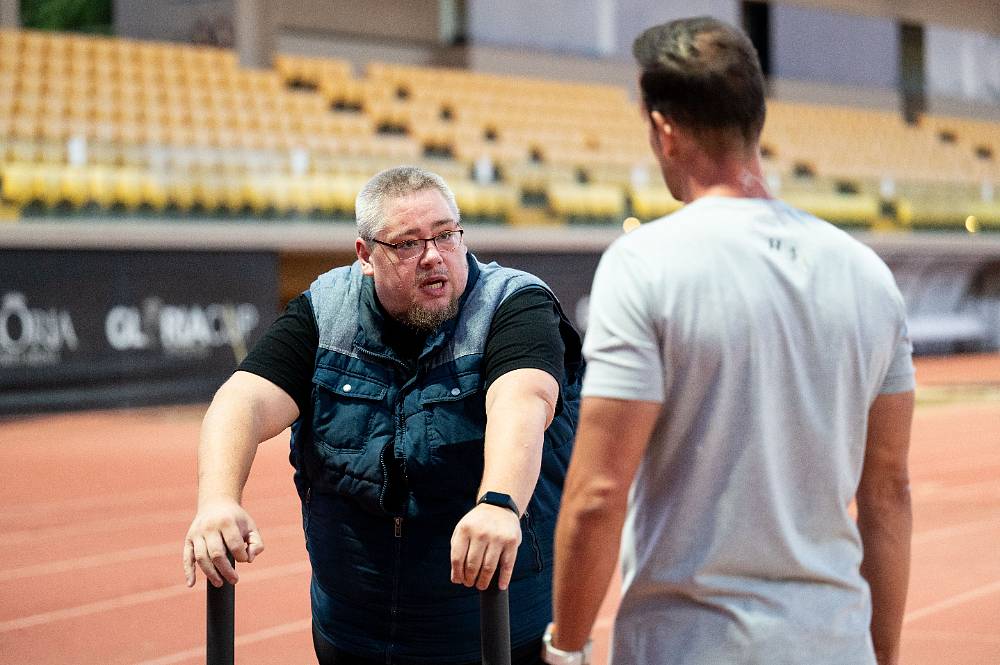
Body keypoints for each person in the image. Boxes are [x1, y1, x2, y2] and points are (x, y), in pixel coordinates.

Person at [545, 17, 915, 665]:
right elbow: (887, 495)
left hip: (689, 644)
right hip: (834, 641)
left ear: (664, 130)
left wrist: (566, 648)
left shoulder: (644, 265)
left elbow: (599, 492)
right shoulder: (868, 275)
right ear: (756, 120)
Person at [183, 165, 583, 665]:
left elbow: (521, 400)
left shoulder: (513, 304)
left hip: (493, 633)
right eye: (408, 244)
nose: (434, 256)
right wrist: (218, 501)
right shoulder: (326, 311)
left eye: (446, 235)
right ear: (366, 255)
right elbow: (242, 399)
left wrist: (499, 502)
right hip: (353, 634)